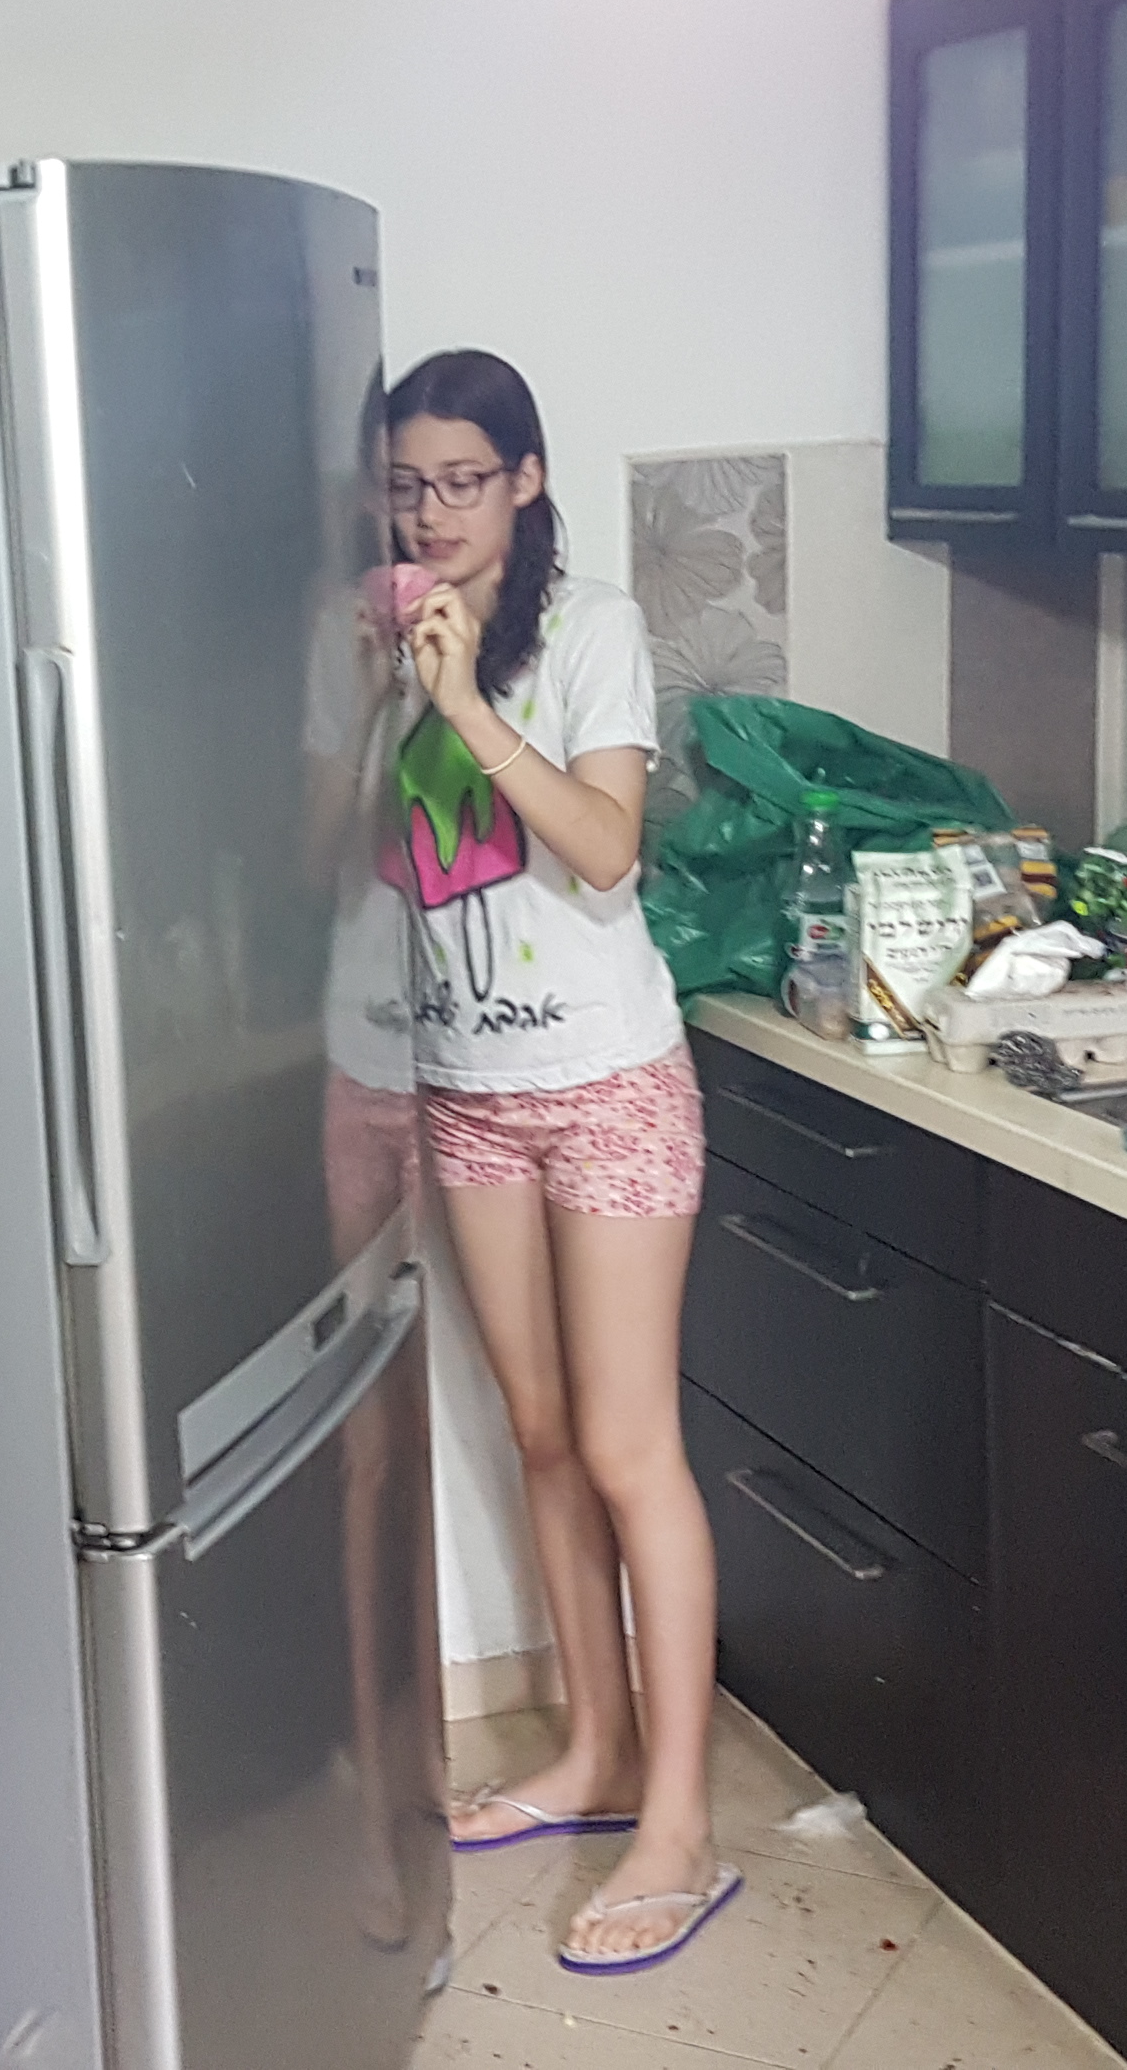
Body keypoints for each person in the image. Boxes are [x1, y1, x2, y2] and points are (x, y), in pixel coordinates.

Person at [380, 350, 732, 1975]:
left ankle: (682, 1824)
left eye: (463, 480)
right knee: (539, 1434)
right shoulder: (383, 640)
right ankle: (593, 1752)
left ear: (525, 480)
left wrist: (462, 708)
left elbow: (604, 849)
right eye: (408, 485)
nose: (433, 513)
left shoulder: (591, 631)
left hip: (607, 1085)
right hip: (466, 1090)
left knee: (627, 1445)